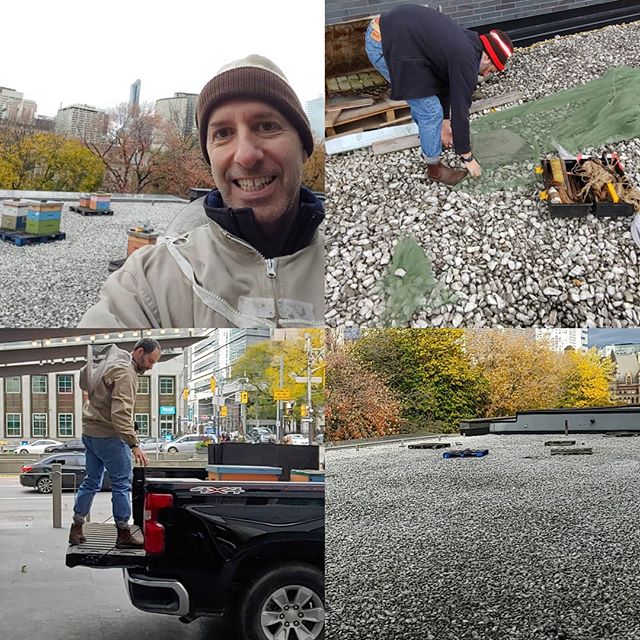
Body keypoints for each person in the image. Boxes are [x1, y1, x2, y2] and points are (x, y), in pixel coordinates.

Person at [79, 54, 324, 328]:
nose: (245, 155)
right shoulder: (148, 280)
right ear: (209, 156)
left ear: (304, 147)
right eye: (223, 133)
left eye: (266, 126)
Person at [365, 4, 513, 186]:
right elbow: (461, 109)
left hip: (396, 35)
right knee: (430, 111)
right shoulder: (466, 57)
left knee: (429, 106)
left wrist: (445, 123)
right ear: (487, 58)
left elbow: (444, 84)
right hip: (384, 44)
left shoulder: (467, 43)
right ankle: (434, 169)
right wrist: (466, 156)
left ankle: (431, 135)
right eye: (491, 69)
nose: (485, 75)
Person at [68, 338, 161, 549]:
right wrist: (133, 443)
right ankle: (123, 534)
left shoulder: (108, 361)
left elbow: (83, 381)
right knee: (121, 484)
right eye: (150, 360)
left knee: (91, 481)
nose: (150, 366)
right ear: (138, 351)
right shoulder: (126, 372)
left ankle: (76, 527)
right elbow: (121, 414)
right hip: (110, 436)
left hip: (89, 432)